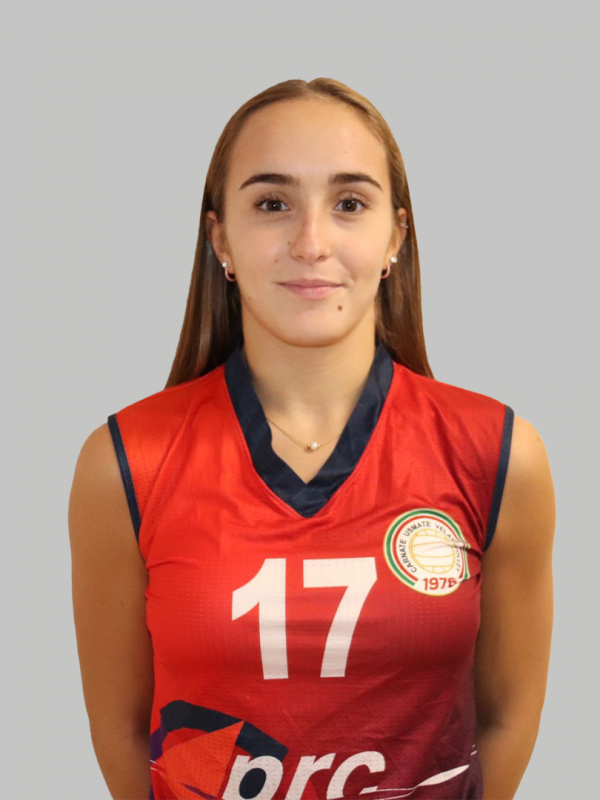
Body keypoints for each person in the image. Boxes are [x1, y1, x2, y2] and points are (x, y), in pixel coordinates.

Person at [68, 78, 555, 800]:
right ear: (220, 238)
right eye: (273, 204)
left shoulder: (499, 454)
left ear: (395, 236)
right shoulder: (125, 462)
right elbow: (123, 729)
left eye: (349, 203)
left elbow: (508, 715)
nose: (311, 243)